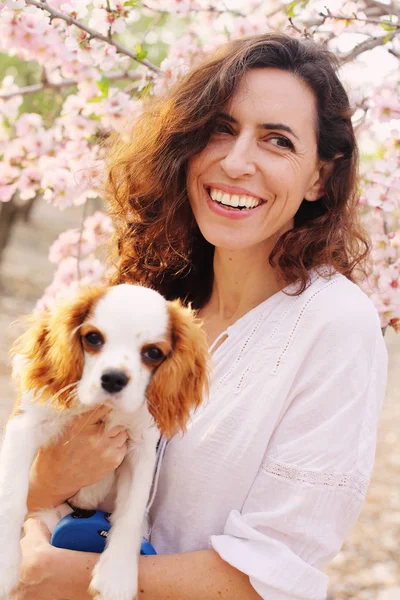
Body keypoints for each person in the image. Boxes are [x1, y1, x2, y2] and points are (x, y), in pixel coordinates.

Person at [12, 33, 387, 600]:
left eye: (278, 141)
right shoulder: (149, 301)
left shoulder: (333, 326)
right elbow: (38, 466)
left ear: (320, 177)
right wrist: (45, 485)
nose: (237, 163)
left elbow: (272, 572)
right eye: (220, 128)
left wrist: (55, 576)